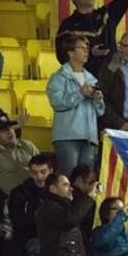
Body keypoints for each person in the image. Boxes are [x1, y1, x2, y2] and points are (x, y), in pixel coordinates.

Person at [47, 32, 106, 174]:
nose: (87, 51)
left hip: (90, 137)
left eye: (87, 47)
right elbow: (57, 102)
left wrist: (98, 99)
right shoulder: (58, 77)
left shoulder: (91, 78)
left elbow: (100, 111)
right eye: (82, 48)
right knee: (68, 177)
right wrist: (80, 94)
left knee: (85, 180)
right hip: (67, 136)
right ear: (70, 53)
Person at [37, 168, 92, 256]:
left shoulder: (67, 207)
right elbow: (68, 220)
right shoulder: (48, 207)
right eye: (65, 185)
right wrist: (88, 198)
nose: (71, 188)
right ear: (53, 189)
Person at [0, 114, 39, 194]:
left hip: (34, 198)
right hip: (6, 201)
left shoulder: (27, 146)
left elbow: (43, 170)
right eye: (3, 130)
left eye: (10, 128)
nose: (9, 132)